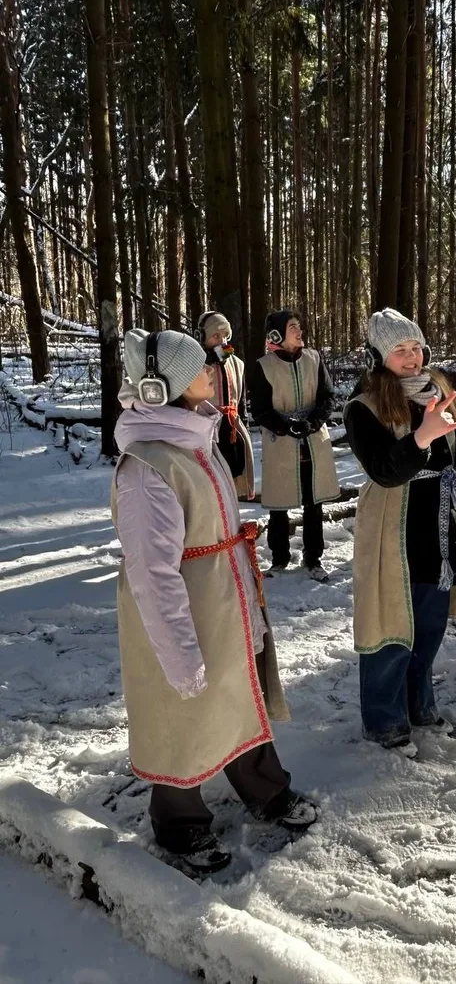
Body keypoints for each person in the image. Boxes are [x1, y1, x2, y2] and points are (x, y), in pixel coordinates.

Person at [112, 328, 318, 875]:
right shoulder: (148, 467)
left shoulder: (195, 441)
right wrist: (178, 654)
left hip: (224, 597)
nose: (214, 373)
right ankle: (180, 822)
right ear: (169, 387)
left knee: (236, 691)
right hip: (183, 608)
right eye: (203, 368)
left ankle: (267, 790)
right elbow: (153, 575)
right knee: (181, 710)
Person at [343, 308, 456, 757]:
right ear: (380, 356)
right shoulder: (364, 407)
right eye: (399, 349)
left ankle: (420, 706)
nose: (411, 356)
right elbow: (382, 469)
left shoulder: (436, 394)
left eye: (415, 346)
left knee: (428, 627)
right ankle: (384, 721)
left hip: (439, 530)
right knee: (390, 628)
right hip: (392, 530)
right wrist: (420, 437)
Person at [250, 309, 339, 582]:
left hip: (313, 443)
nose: (299, 331)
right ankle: (279, 559)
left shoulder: (314, 358)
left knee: (314, 503)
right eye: (292, 327)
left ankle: (314, 558)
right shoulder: (263, 366)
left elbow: (327, 398)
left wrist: (311, 424)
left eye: (299, 326)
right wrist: (285, 426)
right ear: (277, 334)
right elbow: (261, 410)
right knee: (279, 504)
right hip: (281, 444)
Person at [196, 310, 255, 500]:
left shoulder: (237, 363)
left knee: (233, 484)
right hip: (206, 434)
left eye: (225, 336)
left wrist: (241, 426)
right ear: (201, 336)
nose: (222, 341)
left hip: (232, 431)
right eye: (215, 336)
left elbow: (241, 402)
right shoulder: (193, 366)